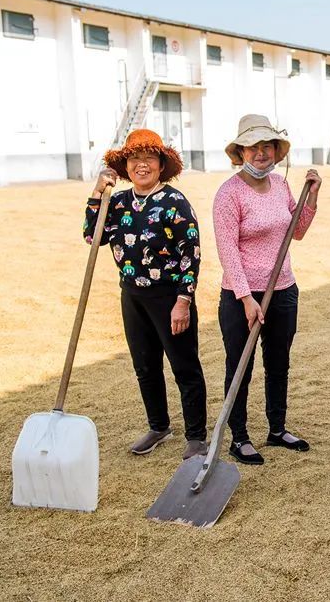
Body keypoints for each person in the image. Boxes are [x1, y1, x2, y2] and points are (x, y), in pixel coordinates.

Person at [84, 129, 207, 460]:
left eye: (148, 159)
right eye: (134, 159)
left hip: (169, 297)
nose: (141, 165)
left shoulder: (174, 202)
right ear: (126, 166)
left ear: (160, 164)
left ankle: (196, 435)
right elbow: (92, 236)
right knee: (145, 365)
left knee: (184, 365)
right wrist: (97, 193)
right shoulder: (119, 201)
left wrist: (184, 300)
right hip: (132, 295)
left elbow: (190, 253)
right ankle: (159, 425)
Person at [214, 114, 321, 466]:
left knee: (279, 363)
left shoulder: (280, 184)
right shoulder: (229, 194)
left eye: (267, 146)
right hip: (241, 295)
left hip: (283, 290)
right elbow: (228, 251)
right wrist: (246, 299)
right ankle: (239, 437)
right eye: (253, 147)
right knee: (240, 367)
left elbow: (298, 231)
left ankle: (277, 429)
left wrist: (312, 198)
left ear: (276, 150)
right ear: (240, 151)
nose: (261, 153)